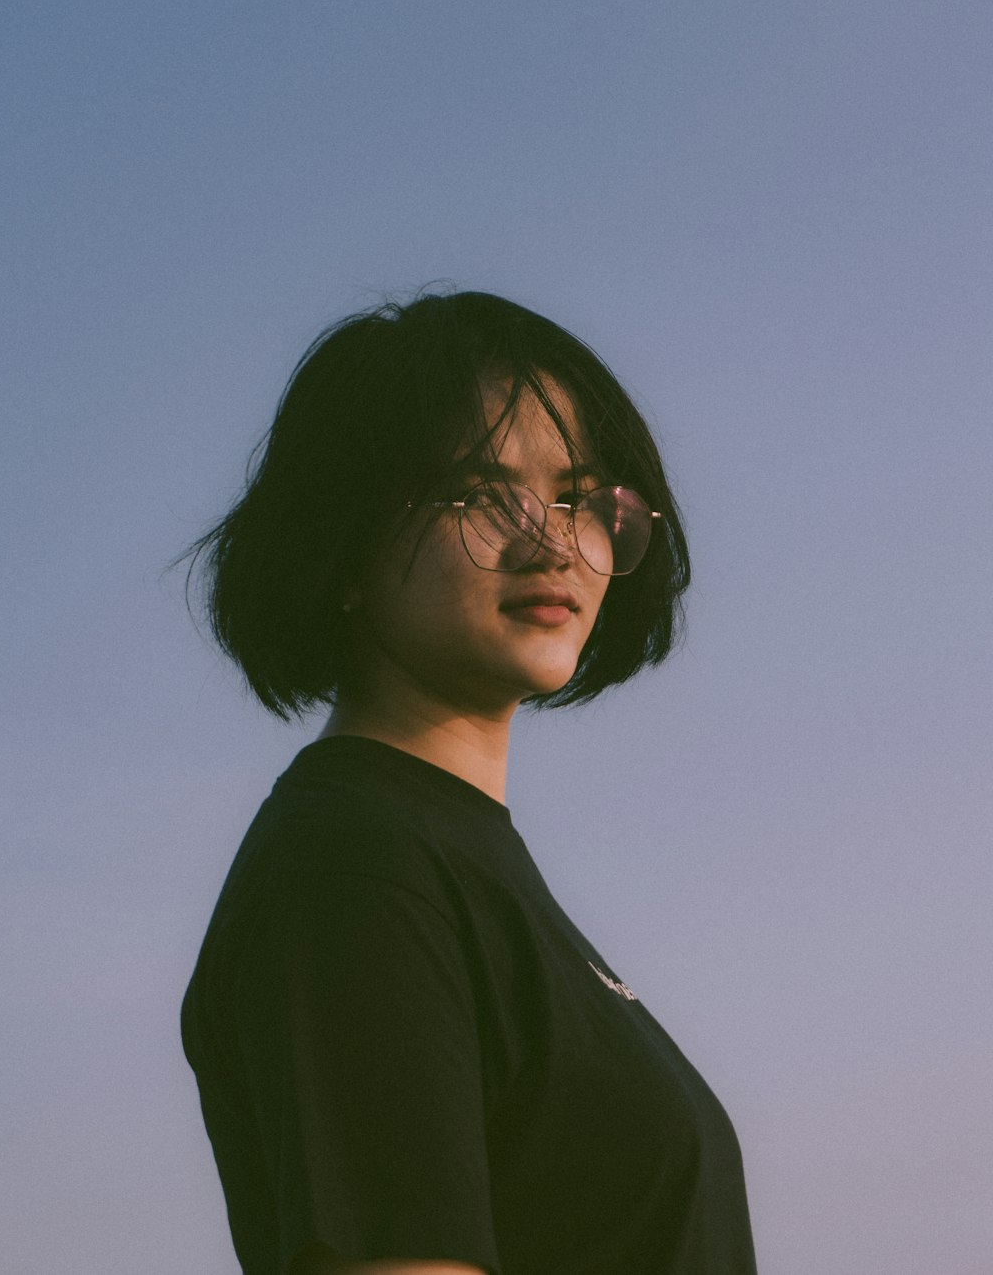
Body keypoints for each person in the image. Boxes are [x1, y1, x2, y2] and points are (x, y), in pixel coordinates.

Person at [175, 289, 759, 1275]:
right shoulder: (357, 864)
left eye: (580, 497)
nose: (552, 542)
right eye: (480, 496)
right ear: (344, 547)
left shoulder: (448, 852)